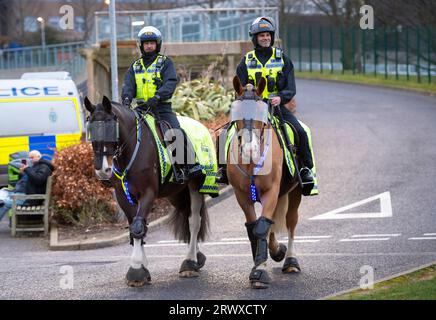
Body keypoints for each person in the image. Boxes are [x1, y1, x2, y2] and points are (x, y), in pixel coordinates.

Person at [235, 16, 315, 191]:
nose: (265, 38)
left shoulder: (283, 59)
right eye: (261, 35)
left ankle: (306, 170)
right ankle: (223, 171)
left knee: (300, 131)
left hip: (277, 108)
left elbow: (290, 88)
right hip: (252, 109)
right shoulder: (245, 61)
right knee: (227, 133)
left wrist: (281, 97)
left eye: (268, 35)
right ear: (255, 38)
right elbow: (239, 89)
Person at [121, 25, 202, 183]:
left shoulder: (166, 63)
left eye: (152, 43)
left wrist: (157, 96)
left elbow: (170, 83)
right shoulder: (135, 66)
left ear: (157, 44)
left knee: (175, 132)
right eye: (146, 43)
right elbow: (128, 86)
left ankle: (188, 166)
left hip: (161, 108)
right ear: (142, 46)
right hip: (141, 109)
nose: (149, 46)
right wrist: (126, 99)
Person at [0, 150, 54, 223]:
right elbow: (27, 180)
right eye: (29, 158)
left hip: (29, 198)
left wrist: (27, 169)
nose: (30, 159)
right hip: (21, 193)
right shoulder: (35, 166)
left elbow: (38, 180)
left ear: (38, 157)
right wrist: (22, 173)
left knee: (4, 203)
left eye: (32, 157)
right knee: (2, 193)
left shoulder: (44, 167)